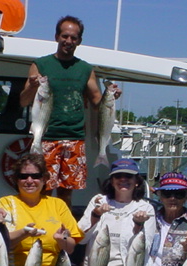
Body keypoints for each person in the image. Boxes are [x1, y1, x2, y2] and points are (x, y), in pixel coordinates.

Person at [20, 15, 121, 207]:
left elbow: (96, 103)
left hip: (75, 137)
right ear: (56, 36)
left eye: (74, 38)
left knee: (67, 192)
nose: (69, 41)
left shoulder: (85, 69)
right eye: (65, 36)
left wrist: (111, 96)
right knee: (44, 189)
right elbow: (24, 100)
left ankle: (62, 230)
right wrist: (32, 86)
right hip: (46, 137)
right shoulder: (40, 65)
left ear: (79, 41)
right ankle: (44, 227)